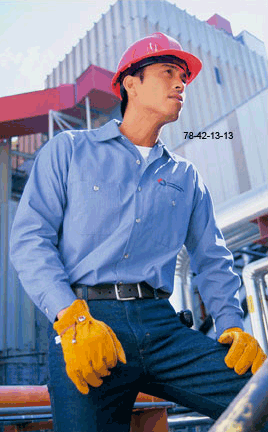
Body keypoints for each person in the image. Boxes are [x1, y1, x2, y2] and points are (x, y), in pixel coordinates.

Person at [9, 32, 267, 432]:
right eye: (168, 72)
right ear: (131, 82)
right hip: (87, 322)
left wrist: (231, 323)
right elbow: (30, 240)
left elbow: (213, 259)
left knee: (260, 397)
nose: (181, 84)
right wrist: (70, 317)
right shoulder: (69, 150)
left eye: (184, 77)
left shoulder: (185, 176)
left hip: (162, 327)